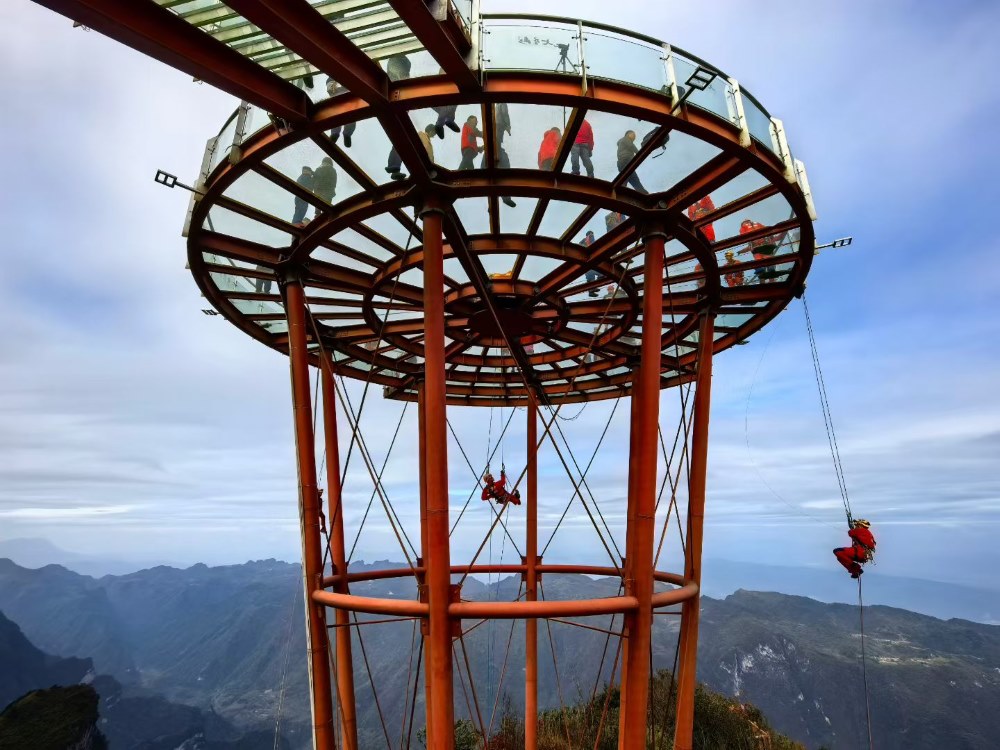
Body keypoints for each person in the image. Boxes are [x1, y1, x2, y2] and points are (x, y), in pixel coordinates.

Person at [326, 77, 356, 147]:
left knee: (343, 111)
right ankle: (342, 134)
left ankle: (338, 134)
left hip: (337, 84)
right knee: (347, 112)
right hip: (337, 82)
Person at [581, 230, 600, 296]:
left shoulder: (582, 241)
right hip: (590, 260)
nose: (592, 235)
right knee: (599, 274)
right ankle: (593, 288)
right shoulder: (590, 237)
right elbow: (594, 246)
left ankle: (592, 290)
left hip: (585, 263)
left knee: (590, 277)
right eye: (592, 234)